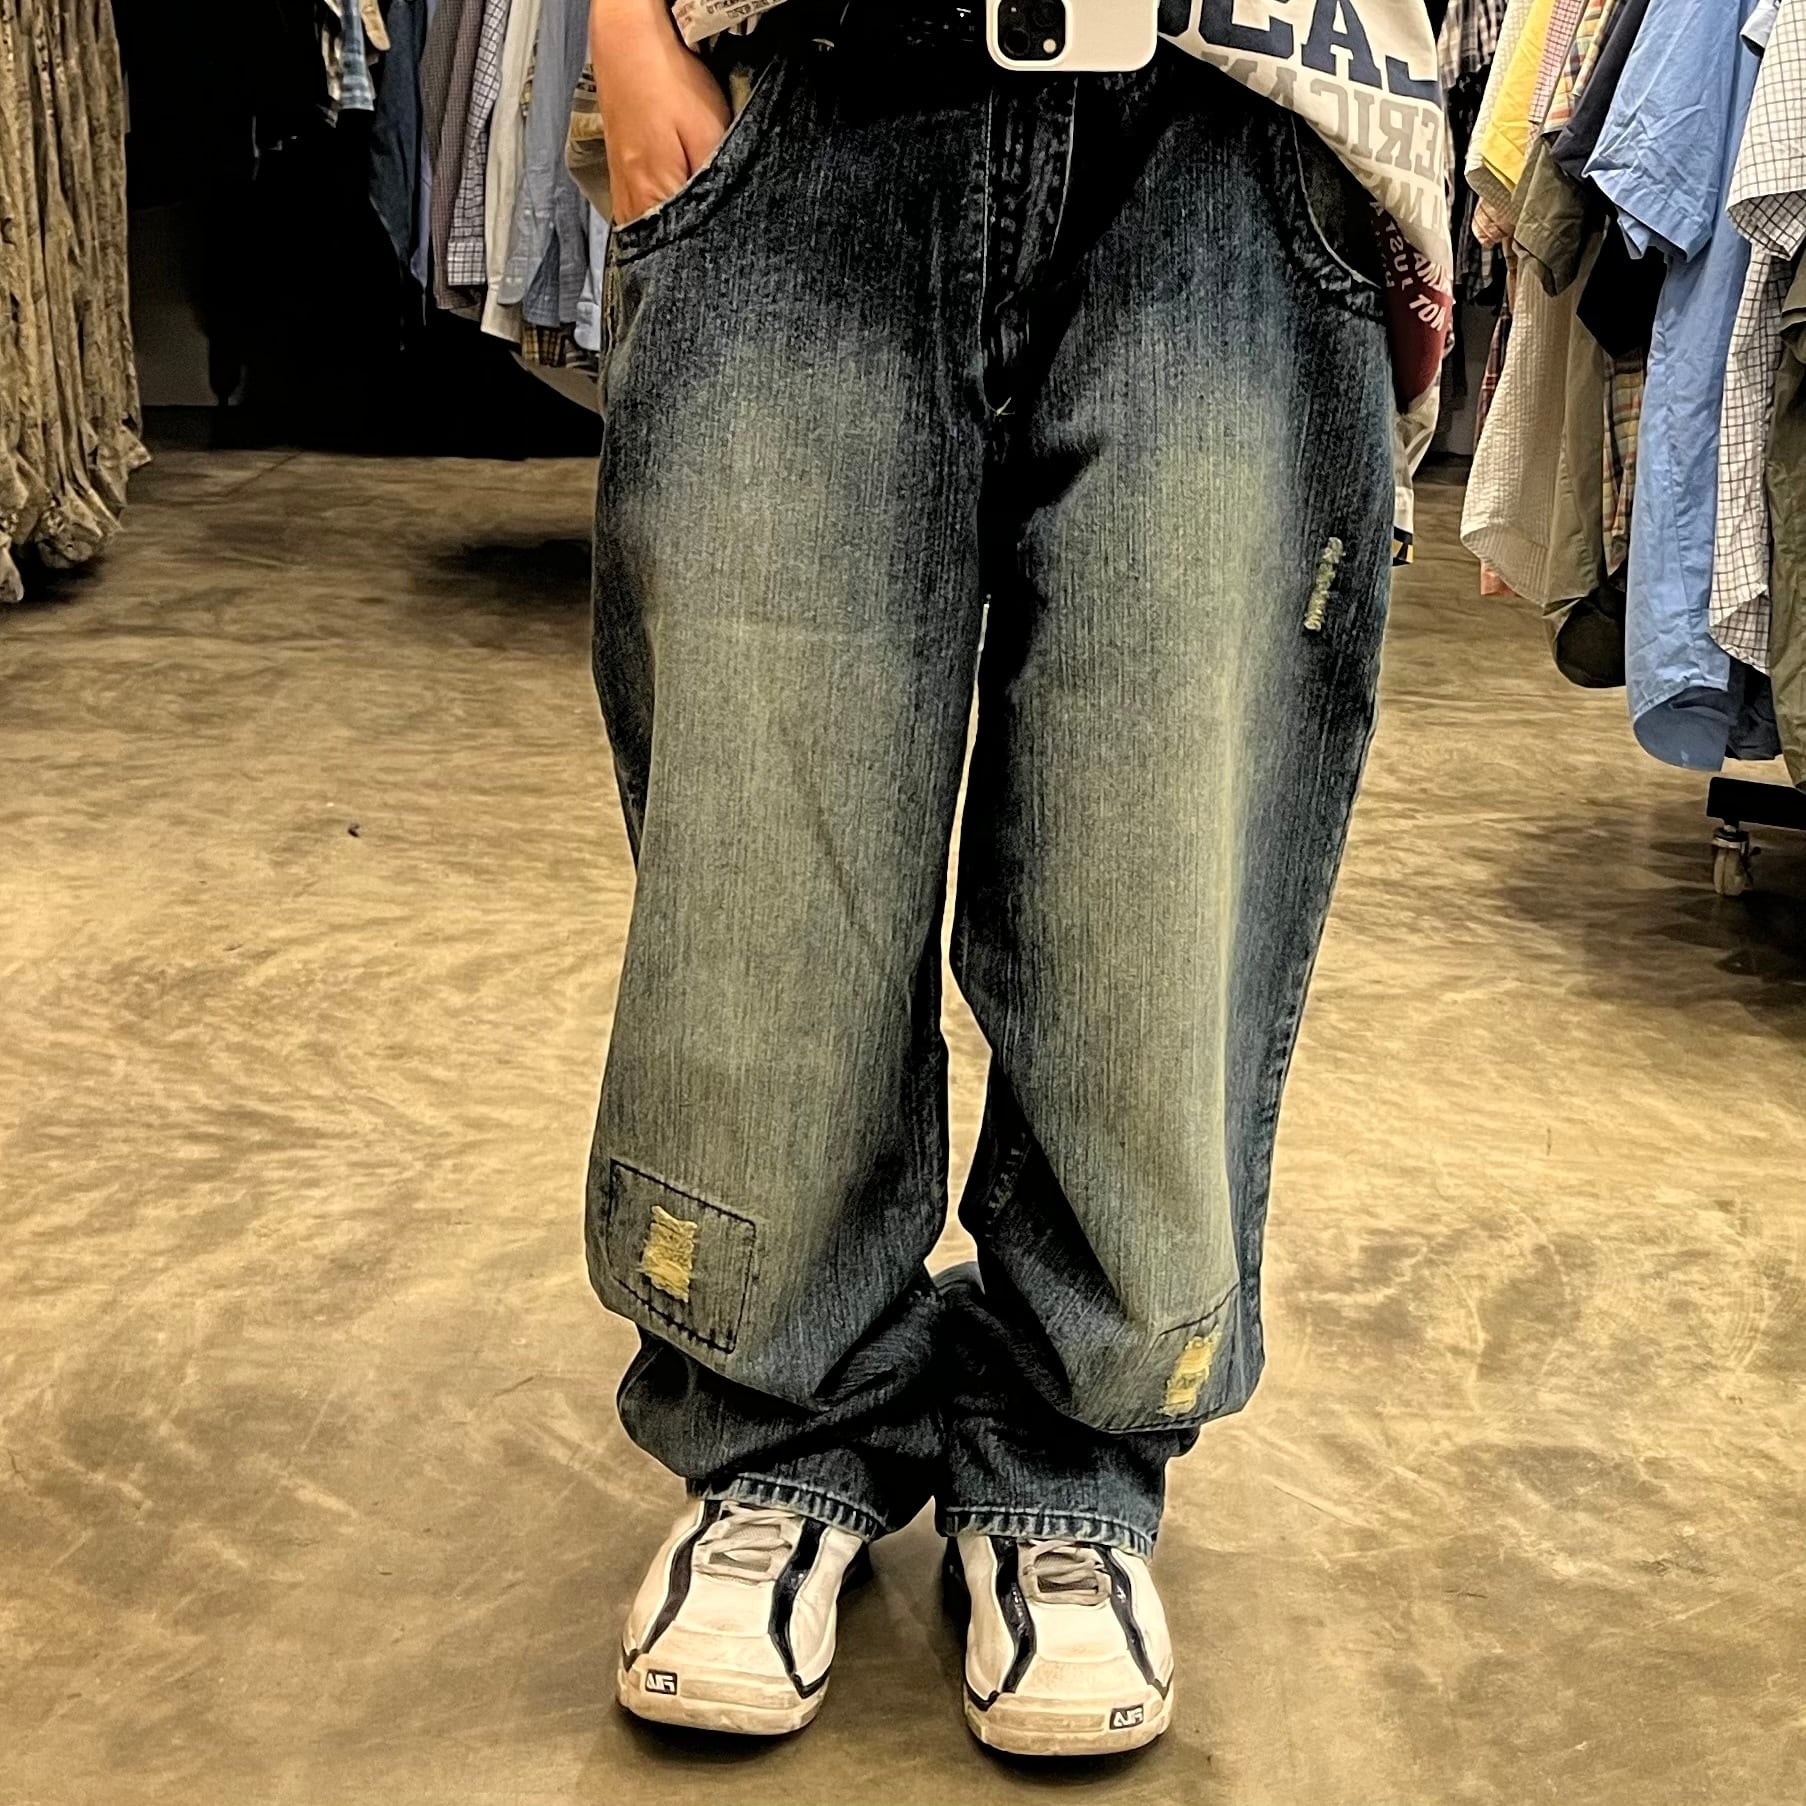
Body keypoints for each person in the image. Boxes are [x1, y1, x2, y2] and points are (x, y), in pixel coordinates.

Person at [585, 0, 1442, 1758]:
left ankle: (1071, 1456)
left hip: (1242, 106)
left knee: (1153, 856)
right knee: (767, 829)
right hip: (802, 82)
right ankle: (774, 1428)